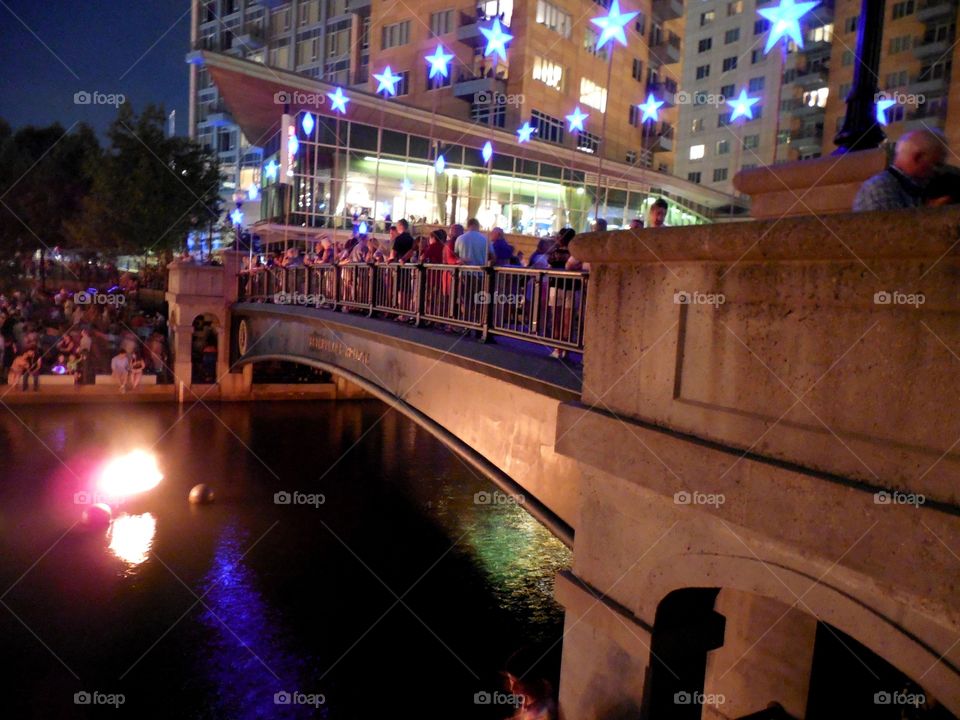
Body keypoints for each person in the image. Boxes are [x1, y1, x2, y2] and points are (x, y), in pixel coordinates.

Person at [853, 129, 949, 211]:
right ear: (917, 157)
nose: (938, 171)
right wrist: (933, 214)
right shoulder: (880, 187)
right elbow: (891, 230)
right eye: (936, 164)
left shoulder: (913, 188)